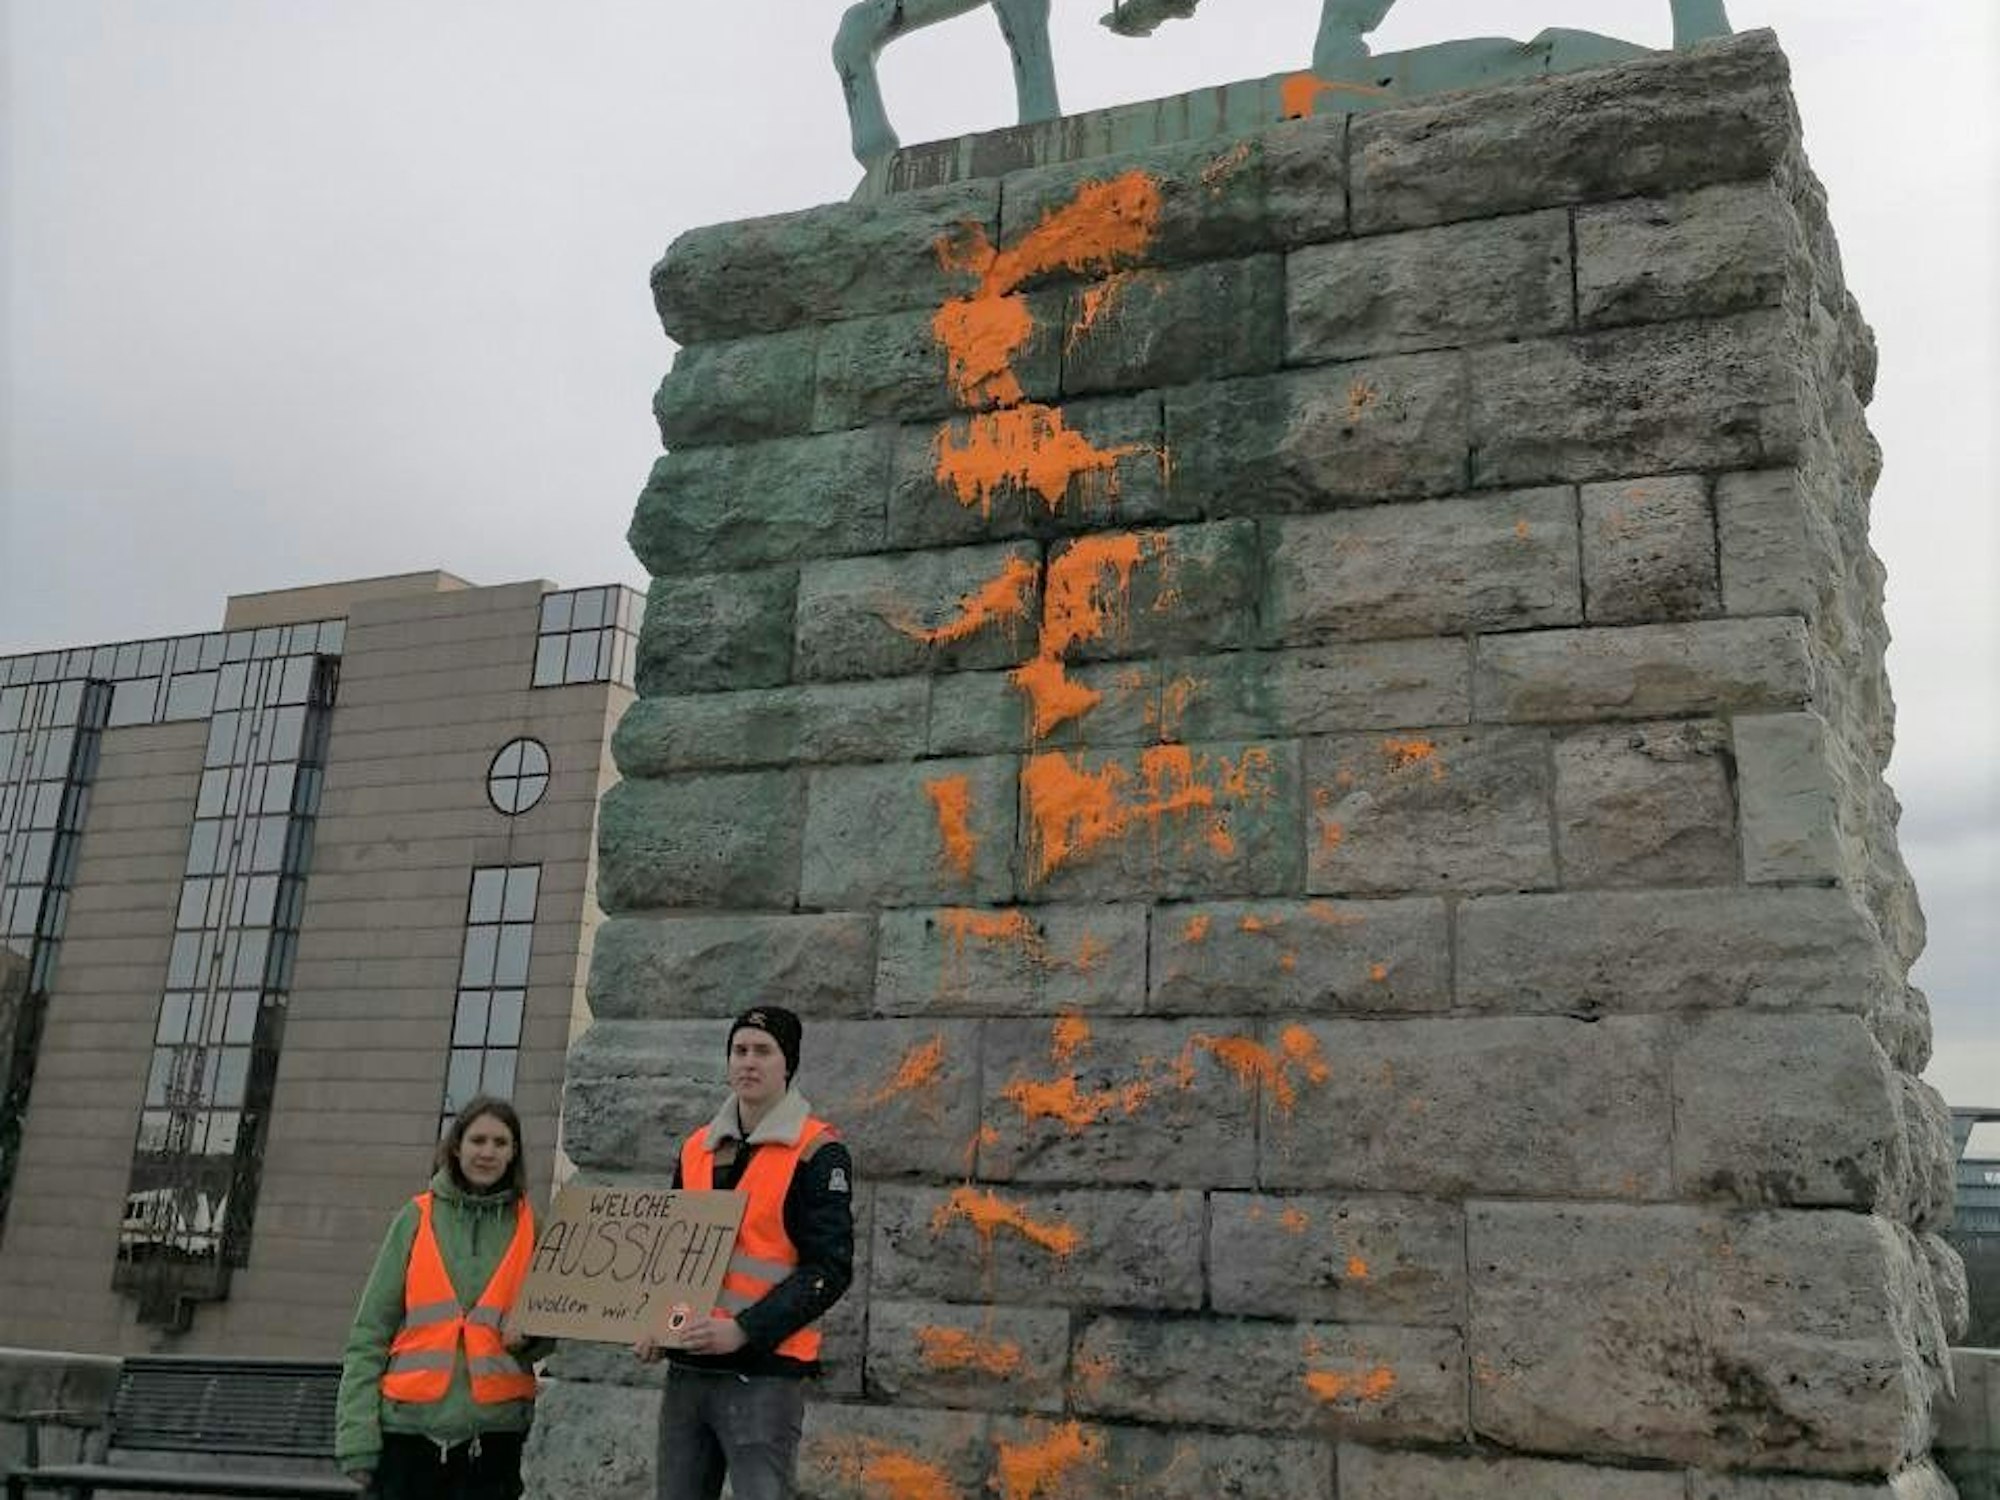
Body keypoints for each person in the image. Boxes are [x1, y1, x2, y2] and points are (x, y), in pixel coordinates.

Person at [635, 1006, 854, 1500]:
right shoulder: (696, 1148)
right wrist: (654, 1323)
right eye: (739, 1050)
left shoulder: (817, 1152)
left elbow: (830, 1269)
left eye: (763, 1051)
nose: (748, 1062)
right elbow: (673, 1254)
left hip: (765, 1375)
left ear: (788, 1064)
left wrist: (743, 1330)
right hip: (688, 1370)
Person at [337, 1095, 549, 1499]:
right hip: (407, 1439)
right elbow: (368, 1336)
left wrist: (533, 1336)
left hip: (494, 1443)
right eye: (478, 1140)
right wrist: (357, 1442)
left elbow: (555, 1329)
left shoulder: (532, 1226)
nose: (488, 1152)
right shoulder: (415, 1218)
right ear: (457, 1146)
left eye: (500, 1143)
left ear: (514, 1152)